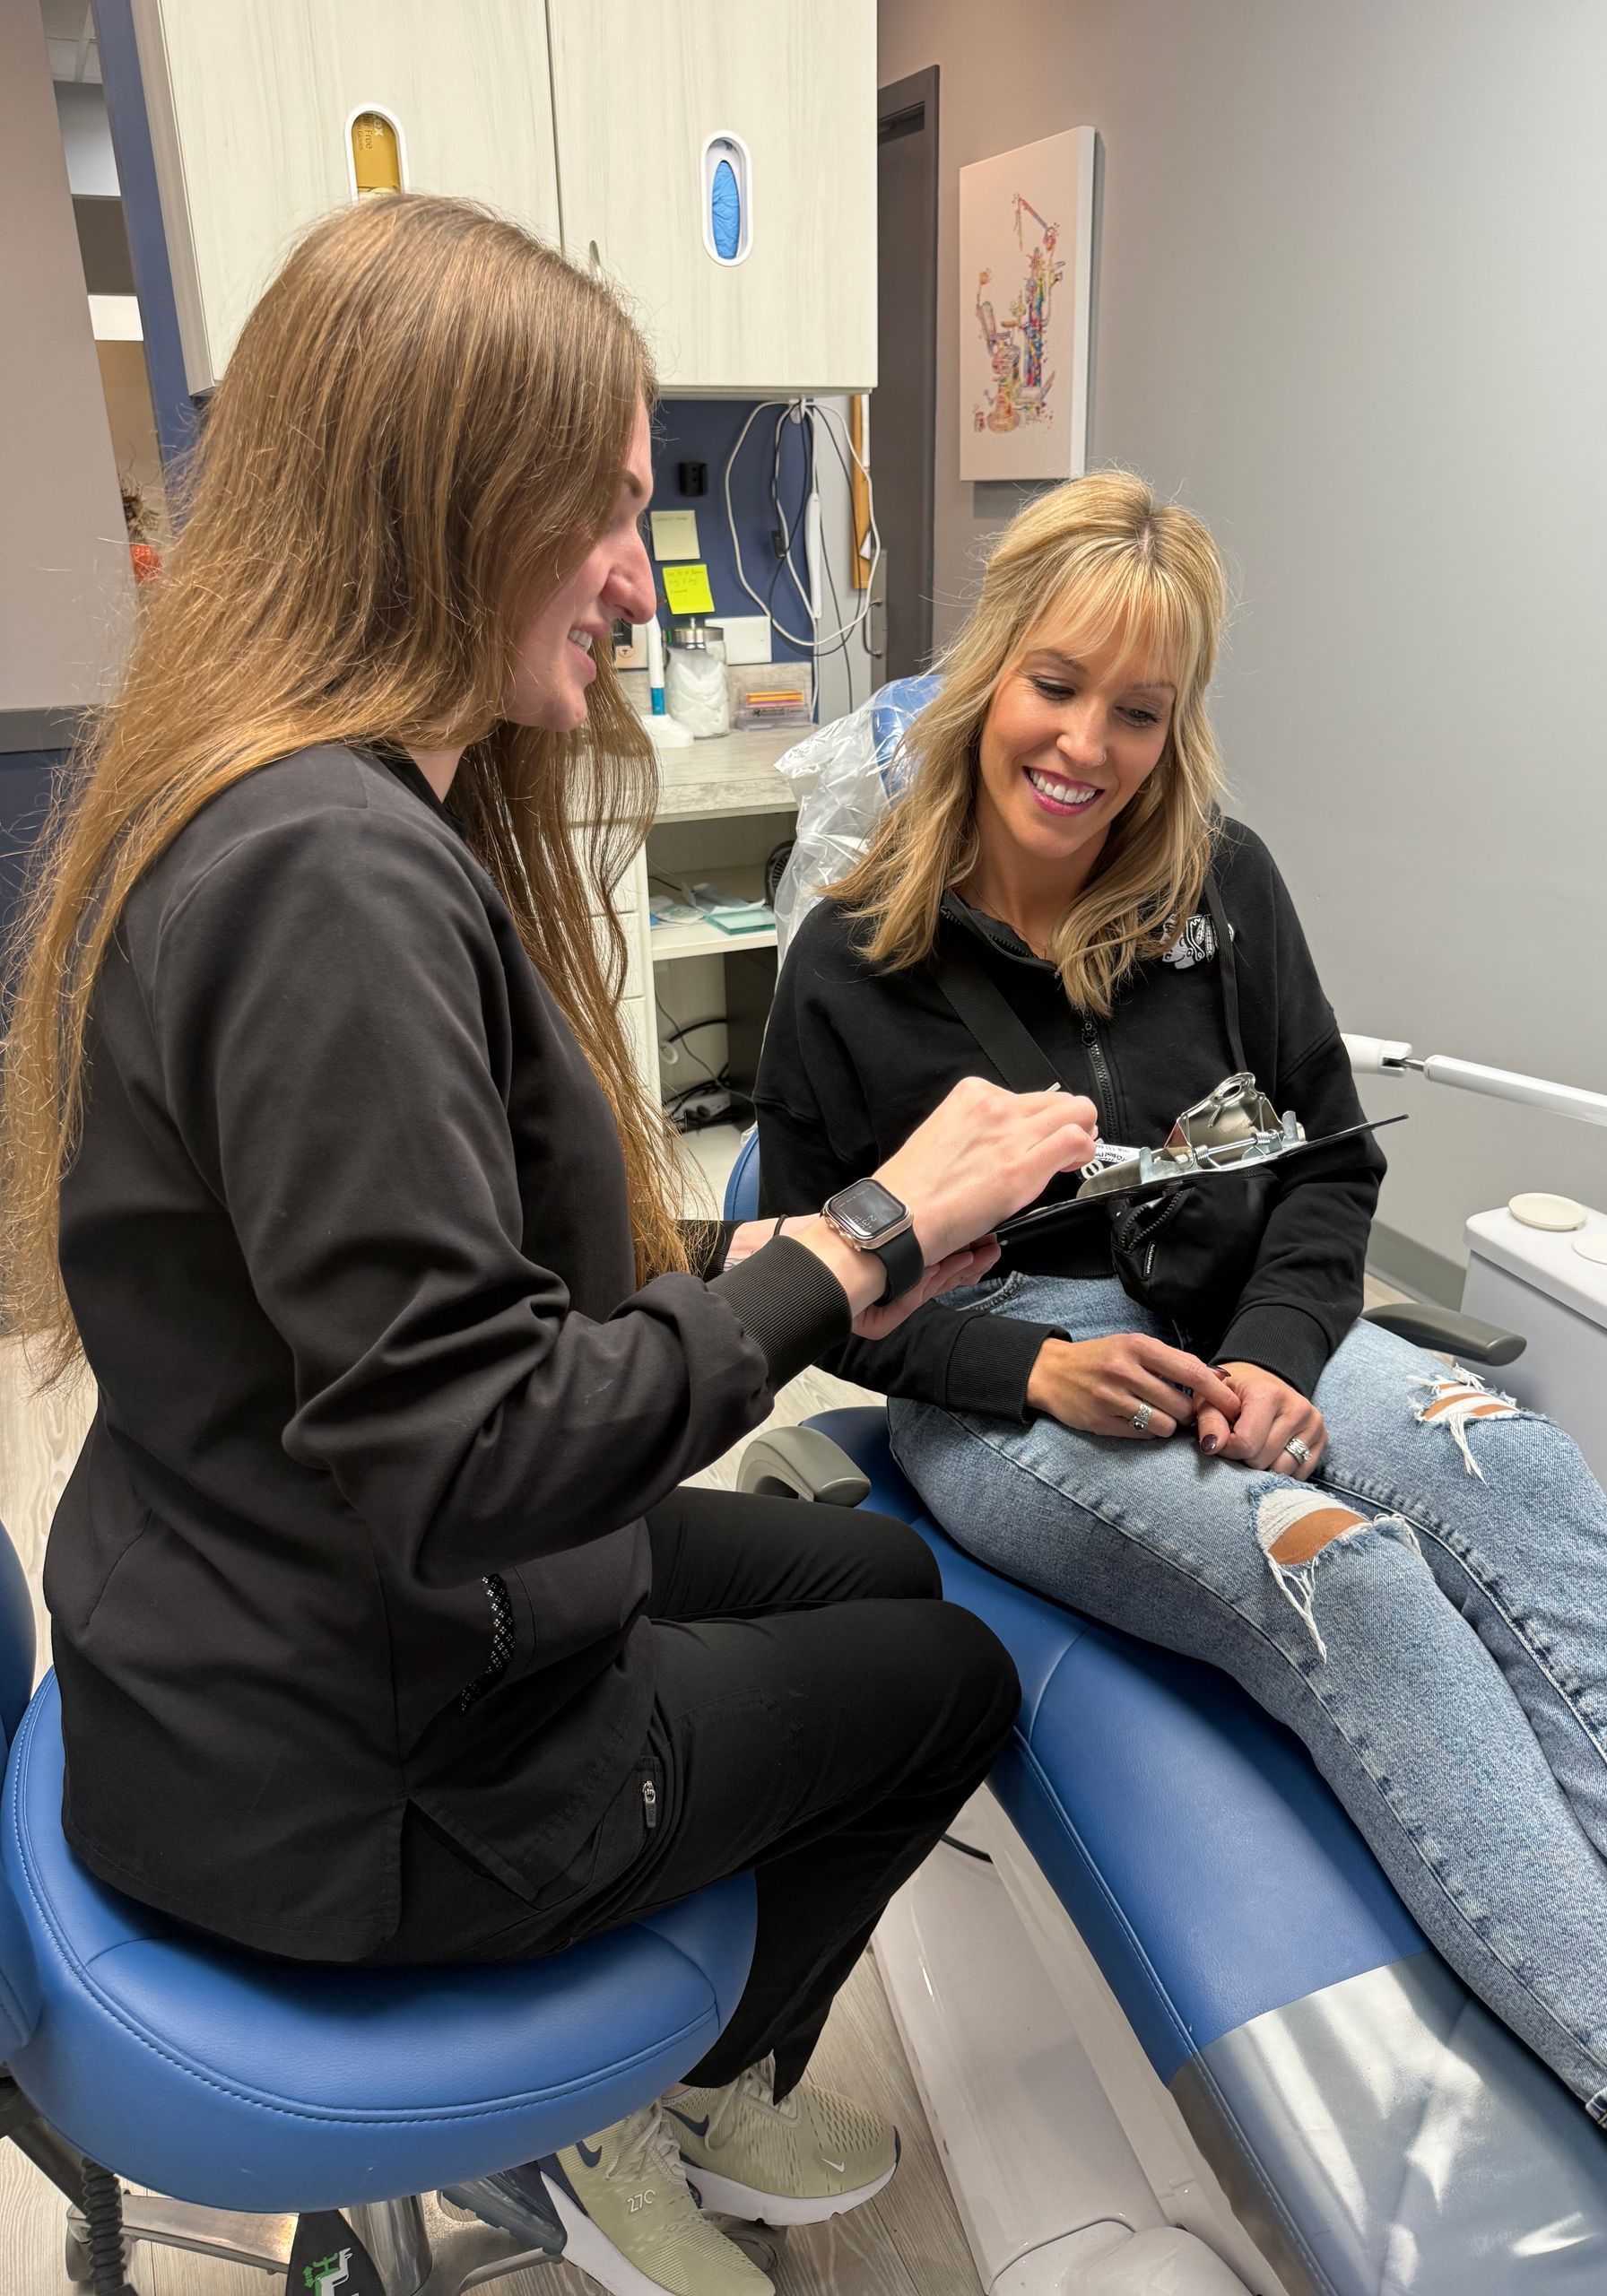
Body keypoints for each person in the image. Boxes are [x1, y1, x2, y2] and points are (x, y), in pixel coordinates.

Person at [0, 196, 1103, 2296]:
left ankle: (672, 2089)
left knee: (860, 1559)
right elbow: (478, 1443)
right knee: (943, 1671)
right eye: (598, 510)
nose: (635, 571)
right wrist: (864, 1238)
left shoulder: (296, 808)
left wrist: (761, 1243)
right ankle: (623, 2133)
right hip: (361, 1776)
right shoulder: (330, 870)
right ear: (442, 493)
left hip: (271, 1625)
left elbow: (452, 1252)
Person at [754, 468, 1607, 2207]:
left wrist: (1285, 1345)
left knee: (1510, 1452)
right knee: (1332, 1565)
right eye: (1059, 685)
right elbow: (816, 1279)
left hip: (1238, 1313)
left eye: (1141, 710)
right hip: (1007, 1376)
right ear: (991, 675)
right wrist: (1028, 1366)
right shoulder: (848, 964)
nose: (1088, 745)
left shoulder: (1220, 890)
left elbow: (1333, 1161)